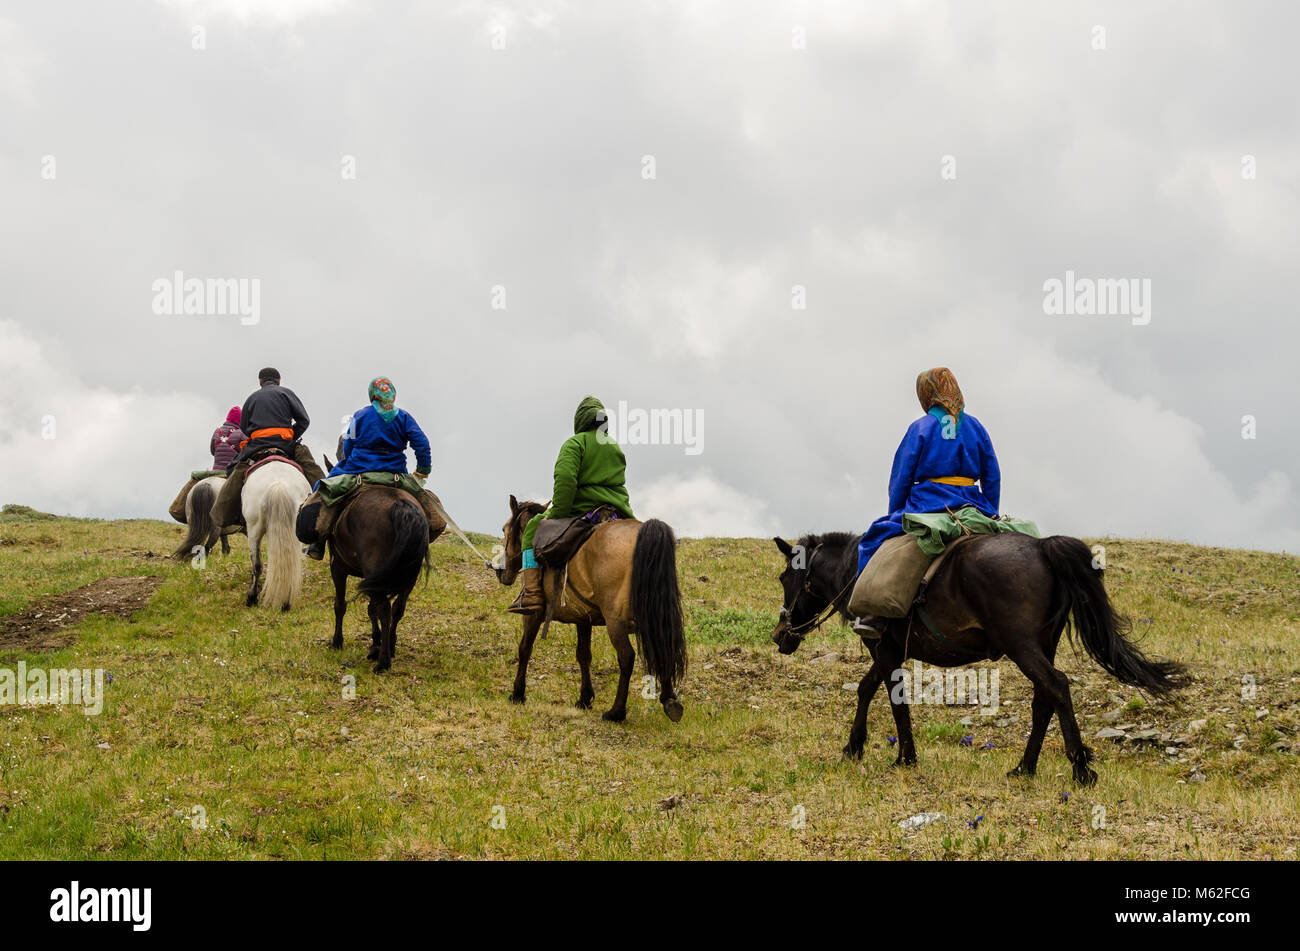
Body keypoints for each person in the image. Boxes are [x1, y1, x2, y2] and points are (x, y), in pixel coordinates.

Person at [853, 367, 1001, 636]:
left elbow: (902, 477)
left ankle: (871, 613)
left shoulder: (920, 427)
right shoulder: (976, 426)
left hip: (929, 504)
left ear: (926, 394)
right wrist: (990, 510)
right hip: (972, 504)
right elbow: (992, 474)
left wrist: (895, 514)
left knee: (873, 539)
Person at [510, 396, 634, 615]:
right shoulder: (613, 445)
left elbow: (566, 480)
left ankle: (531, 593)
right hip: (616, 510)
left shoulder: (575, 443)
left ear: (580, 420)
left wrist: (558, 511)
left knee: (531, 528)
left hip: (582, 508)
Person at [299, 376, 445, 559]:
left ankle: (316, 544)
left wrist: (349, 459)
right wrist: (422, 471)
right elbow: (422, 444)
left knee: (323, 489)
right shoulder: (404, 417)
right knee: (434, 512)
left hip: (359, 470)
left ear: (372, 396)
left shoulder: (360, 415)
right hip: (395, 475)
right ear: (392, 395)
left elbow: (348, 444)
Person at [210, 368, 326, 530]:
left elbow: (244, 427)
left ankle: (228, 513)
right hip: (285, 443)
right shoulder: (287, 393)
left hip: (256, 445)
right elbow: (304, 420)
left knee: (233, 469)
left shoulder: (251, 398)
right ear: (278, 381)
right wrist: (292, 436)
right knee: (311, 467)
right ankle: (327, 502)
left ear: (260, 382)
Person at [167, 406, 248, 523]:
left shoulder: (217, 432)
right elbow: (245, 452)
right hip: (230, 472)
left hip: (215, 471)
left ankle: (179, 510)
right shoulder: (241, 434)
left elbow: (212, 451)